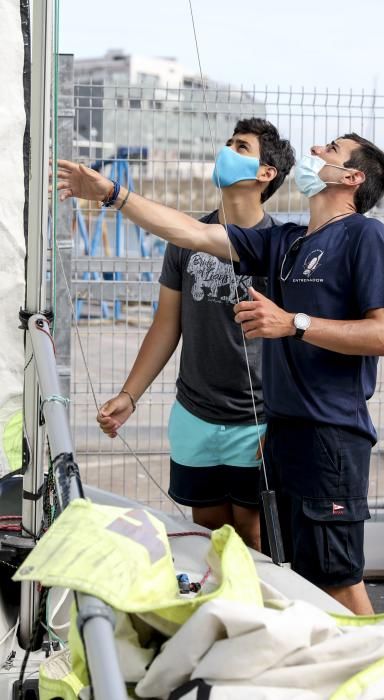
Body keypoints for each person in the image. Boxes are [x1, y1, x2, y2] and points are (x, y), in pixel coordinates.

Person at [57, 132, 384, 615]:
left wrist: (293, 324)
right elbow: (193, 234)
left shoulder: (366, 236)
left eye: (331, 149)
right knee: (296, 576)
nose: (317, 151)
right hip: (283, 435)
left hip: (331, 437)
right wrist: (113, 194)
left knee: (338, 581)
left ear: (352, 177)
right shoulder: (286, 242)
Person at [92, 118, 295, 551]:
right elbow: (167, 324)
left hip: (257, 421)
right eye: (227, 142)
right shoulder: (185, 239)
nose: (226, 150)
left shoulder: (282, 246)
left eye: (240, 146)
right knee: (207, 536)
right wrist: (129, 395)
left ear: (266, 174)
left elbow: (298, 341)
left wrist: (280, 422)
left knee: (253, 535)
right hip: (194, 417)